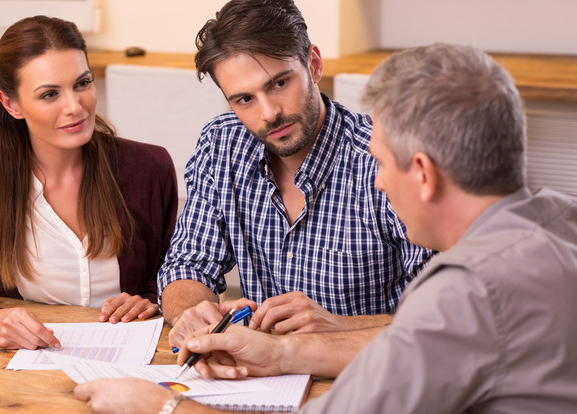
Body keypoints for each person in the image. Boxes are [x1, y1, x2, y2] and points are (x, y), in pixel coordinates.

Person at [75, 43, 577, 413]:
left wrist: (157, 406)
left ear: (422, 174)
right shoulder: (557, 219)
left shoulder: (469, 292)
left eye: (382, 163)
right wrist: (277, 354)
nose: (378, 181)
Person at [158, 0, 433, 363]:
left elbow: (446, 321)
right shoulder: (221, 145)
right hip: (258, 377)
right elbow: (186, 266)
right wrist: (192, 312)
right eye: (244, 99)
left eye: (279, 83)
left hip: (367, 376)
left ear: (314, 65)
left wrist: (339, 325)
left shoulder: (383, 159)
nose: (269, 113)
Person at [0, 16, 178, 350]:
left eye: (83, 83)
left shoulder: (149, 168)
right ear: (11, 104)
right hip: (23, 364)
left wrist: (152, 299)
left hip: (128, 358)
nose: (75, 107)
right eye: (50, 94)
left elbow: (171, 276)